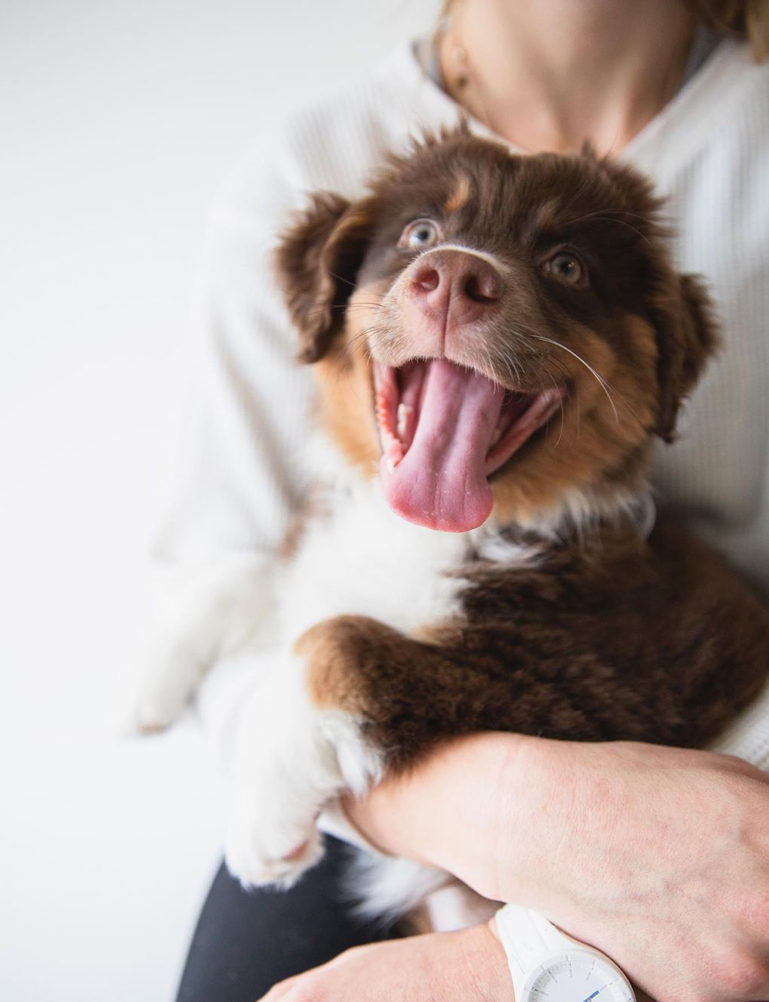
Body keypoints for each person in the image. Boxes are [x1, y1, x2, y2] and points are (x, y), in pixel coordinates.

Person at [153, 2, 769, 999]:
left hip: (708, 765)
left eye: (563, 267)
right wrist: (511, 812)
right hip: (359, 786)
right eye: (423, 239)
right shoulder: (305, 158)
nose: (457, 275)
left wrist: (499, 967)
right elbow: (210, 587)